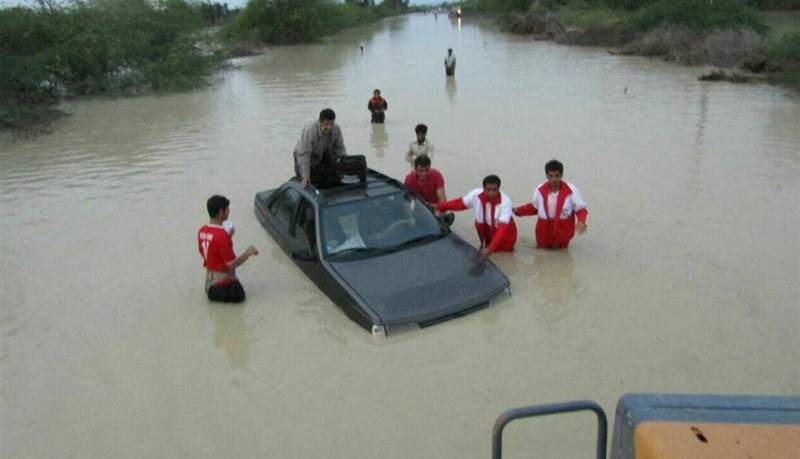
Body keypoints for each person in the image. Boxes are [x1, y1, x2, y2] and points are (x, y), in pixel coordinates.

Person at [513, 159, 588, 249]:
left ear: (561, 175)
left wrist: (581, 221)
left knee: (562, 257)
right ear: (547, 176)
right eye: (551, 176)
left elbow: (581, 210)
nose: (554, 179)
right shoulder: (539, 190)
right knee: (541, 257)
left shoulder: (572, 190)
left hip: (563, 235)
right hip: (543, 234)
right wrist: (518, 211)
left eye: (557, 176)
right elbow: (534, 208)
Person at [437, 175, 517, 258]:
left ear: (499, 189)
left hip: (505, 235)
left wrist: (490, 249)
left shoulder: (506, 202)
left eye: (495, 190)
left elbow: (502, 230)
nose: (491, 193)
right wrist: (440, 207)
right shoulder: (475, 195)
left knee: (504, 257)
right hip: (486, 229)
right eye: (488, 189)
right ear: (483, 188)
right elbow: (460, 204)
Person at [198, 195, 258, 303]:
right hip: (224, 287)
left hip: (209, 284)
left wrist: (228, 237)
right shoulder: (222, 236)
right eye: (227, 209)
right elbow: (232, 264)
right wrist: (248, 253)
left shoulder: (202, 230)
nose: (229, 211)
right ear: (221, 212)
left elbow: (208, 253)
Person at [293, 108, 347, 189]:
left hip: (323, 152)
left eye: (331, 124)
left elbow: (340, 149)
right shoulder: (310, 130)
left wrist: (347, 163)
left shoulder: (336, 129)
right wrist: (305, 176)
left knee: (329, 176)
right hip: (303, 155)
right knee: (305, 181)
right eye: (326, 124)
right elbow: (304, 155)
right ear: (320, 122)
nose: (329, 127)